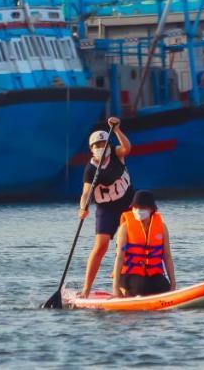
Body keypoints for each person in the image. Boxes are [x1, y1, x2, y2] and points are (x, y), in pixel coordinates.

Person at [77, 117, 132, 297]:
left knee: (130, 243)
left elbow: (127, 148)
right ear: (91, 149)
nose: (101, 147)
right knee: (100, 246)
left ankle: (123, 282)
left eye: (103, 143)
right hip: (106, 208)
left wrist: (116, 130)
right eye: (96, 145)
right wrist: (83, 207)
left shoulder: (116, 153)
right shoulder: (91, 169)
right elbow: (86, 193)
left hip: (128, 202)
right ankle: (86, 288)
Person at [111, 190, 175, 297]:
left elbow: (167, 256)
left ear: (151, 209)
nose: (138, 211)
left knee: (163, 286)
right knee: (141, 287)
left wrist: (173, 283)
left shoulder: (162, 227)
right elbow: (120, 257)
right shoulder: (125, 227)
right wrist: (115, 286)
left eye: (142, 208)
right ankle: (124, 290)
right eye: (135, 208)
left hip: (152, 272)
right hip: (129, 273)